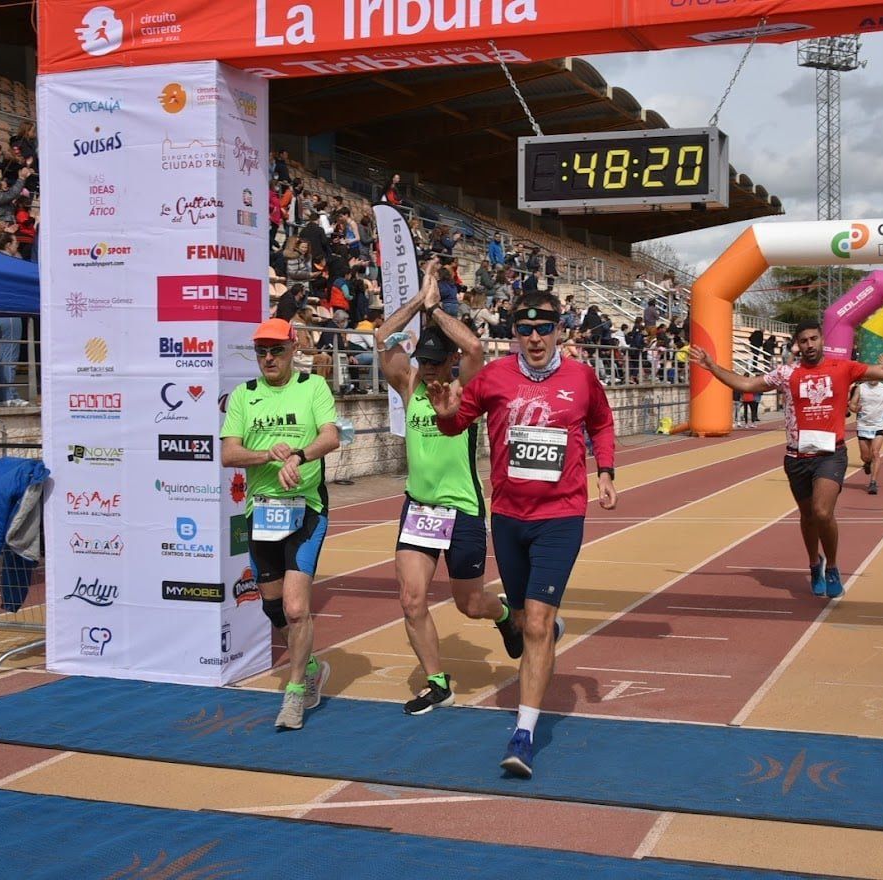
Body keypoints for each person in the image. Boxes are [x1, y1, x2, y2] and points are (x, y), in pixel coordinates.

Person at [426, 291, 617, 778]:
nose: (535, 338)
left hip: (560, 516)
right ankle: (544, 632)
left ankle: (523, 734)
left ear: (559, 330)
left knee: (534, 624)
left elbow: (601, 423)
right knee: (524, 619)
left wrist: (606, 470)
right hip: (509, 518)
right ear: (514, 332)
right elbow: (454, 426)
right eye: (525, 329)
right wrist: (444, 411)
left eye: (544, 328)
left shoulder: (581, 377)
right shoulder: (493, 377)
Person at [690, 321, 883, 597]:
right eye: (804, 341)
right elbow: (748, 383)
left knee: (822, 512)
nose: (809, 345)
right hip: (796, 456)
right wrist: (712, 367)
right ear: (798, 345)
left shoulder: (842, 367)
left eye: (813, 339)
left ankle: (831, 566)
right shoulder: (787, 373)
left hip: (830, 454)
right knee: (808, 516)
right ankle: (813, 563)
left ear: (822, 340)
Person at [376, 262, 525, 714]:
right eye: (424, 361)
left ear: (450, 362)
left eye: (436, 362)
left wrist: (437, 309)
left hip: (461, 509)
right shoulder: (410, 384)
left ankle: (504, 615)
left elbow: (476, 346)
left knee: (470, 603)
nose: (429, 370)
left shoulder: (464, 390)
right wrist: (419, 301)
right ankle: (437, 683)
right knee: (411, 599)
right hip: (419, 508)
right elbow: (382, 337)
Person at [220, 318, 341, 730]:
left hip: (306, 508)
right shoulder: (244, 395)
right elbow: (229, 454)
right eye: (261, 351)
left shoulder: (313, 387)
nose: (268, 358)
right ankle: (312, 668)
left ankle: (294, 694)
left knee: (296, 608)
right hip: (262, 513)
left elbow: (331, 436)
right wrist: (268, 455)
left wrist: (299, 456)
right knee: (274, 608)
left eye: (276, 350)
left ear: (293, 350)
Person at [849, 373, 883, 495]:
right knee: (865, 456)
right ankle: (867, 463)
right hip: (863, 425)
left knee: (875, 453)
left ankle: (873, 482)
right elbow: (852, 404)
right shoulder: (861, 388)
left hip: (879, 425)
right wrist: (855, 408)